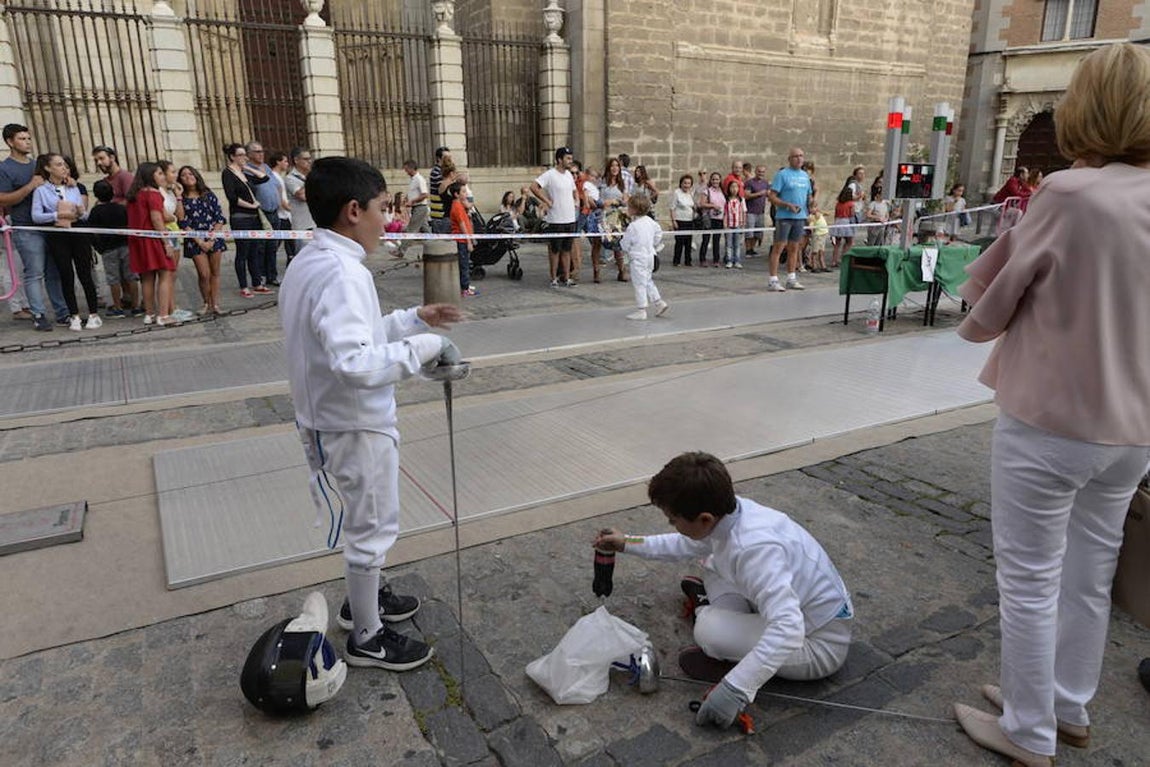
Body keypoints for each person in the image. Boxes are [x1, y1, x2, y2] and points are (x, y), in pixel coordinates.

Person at [951, 43, 1150, 767]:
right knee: (1089, 573)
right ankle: (1066, 706)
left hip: (1050, 420)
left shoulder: (1069, 193)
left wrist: (975, 313)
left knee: (1030, 577)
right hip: (1135, 426)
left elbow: (995, 302)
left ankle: (1029, 732)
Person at [279, 155, 462, 671]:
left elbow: (347, 335)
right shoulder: (341, 272)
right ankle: (367, 636)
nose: (391, 219)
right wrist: (424, 347)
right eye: (385, 208)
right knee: (373, 526)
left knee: (368, 522)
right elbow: (353, 362)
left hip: (329, 418)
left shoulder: (314, 259)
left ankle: (367, 596)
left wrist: (409, 319)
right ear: (353, 210)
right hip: (354, 423)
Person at [593, 452, 852, 729]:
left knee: (708, 631)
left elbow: (788, 628)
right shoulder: (729, 515)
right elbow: (683, 544)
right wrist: (626, 542)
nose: (673, 526)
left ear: (704, 518)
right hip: (786, 610)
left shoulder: (754, 549)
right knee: (714, 563)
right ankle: (725, 633)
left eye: (673, 520)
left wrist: (736, 689)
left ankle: (719, 639)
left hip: (818, 643)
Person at [0, 124, 68, 331]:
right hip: (25, 227)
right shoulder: (5, 168)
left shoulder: (38, 164)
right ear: (10, 142)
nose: (27, 142)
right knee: (34, 272)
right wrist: (29, 186)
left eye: (28, 138)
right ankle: (38, 314)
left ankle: (62, 312)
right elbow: (3, 199)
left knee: (54, 271)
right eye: (22, 138)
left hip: (49, 224)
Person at [31, 153, 100, 331]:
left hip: (77, 232)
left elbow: (83, 214)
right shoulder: (41, 191)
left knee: (85, 272)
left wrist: (79, 210)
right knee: (65, 274)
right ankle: (73, 315)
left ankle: (93, 314)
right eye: (59, 165)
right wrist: (56, 215)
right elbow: (36, 216)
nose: (64, 168)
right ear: (48, 168)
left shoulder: (73, 188)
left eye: (65, 165)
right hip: (58, 233)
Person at [126, 162, 176, 325]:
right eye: (160, 173)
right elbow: (156, 218)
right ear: (150, 176)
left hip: (138, 240)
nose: (163, 176)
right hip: (153, 239)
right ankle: (163, 315)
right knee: (165, 274)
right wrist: (166, 242)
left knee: (146, 278)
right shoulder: (153, 194)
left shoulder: (135, 194)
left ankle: (149, 314)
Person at [178, 165, 227, 315]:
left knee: (215, 272)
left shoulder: (208, 194)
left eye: (190, 174)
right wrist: (200, 241)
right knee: (203, 273)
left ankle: (215, 304)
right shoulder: (182, 199)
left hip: (213, 236)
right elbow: (182, 221)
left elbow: (219, 217)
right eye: (184, 175)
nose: (188, 177)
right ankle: (206, 302)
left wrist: (212, 238)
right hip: (194, 239)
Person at [221, 143, 268, 297]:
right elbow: (232, 197)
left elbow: (263, 178)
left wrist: (247, 167)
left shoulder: (243, 173)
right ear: (232, 157)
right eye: (240, 155)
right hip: (241, 217)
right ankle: (243, 286)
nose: (244, 158)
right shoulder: (228, 174)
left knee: (255, 251)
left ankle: (256, 283)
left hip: (254, 218)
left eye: (244, 155)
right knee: (243, 252)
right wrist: (251, 205)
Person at [86, 179, 136, 318]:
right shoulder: (121, 208)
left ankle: (117, 307)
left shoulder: (96, 211)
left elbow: (91, 231)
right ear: (113, 192)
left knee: (113, 278)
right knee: (131, 276)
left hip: (108, 249)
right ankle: (135, 305)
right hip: (126, 246)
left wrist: (98, 247)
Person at [530, 146, 579, 288]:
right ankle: (553, 278)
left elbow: (574, 190)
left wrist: (576, 200)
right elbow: (534, 187)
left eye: (571, 158)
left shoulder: (569, 175)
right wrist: (546, 201)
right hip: (556, 218)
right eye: (567, 158)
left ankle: (566, 277)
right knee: (555, 250)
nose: (570, 161)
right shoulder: (550, 174)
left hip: (569, 217)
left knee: (567, 249)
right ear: (559, 159)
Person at [766, 148, 812, 291]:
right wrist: (786, 205)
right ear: (790, 159)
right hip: (784, 216)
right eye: (796, 156)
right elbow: (772, 196)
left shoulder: (805, 176)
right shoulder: (782, 175)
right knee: (779, 247)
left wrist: (812, 203)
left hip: (800, 217)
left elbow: (808, 196)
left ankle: (791, 278)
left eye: (801, 156)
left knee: (795, 248)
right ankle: (773, 279)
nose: (799, 159)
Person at [619, 194, 667, 320]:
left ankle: (641, 310)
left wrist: (621, 245)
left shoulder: (633, 226)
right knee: (647, 280)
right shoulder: (651, 222)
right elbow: (658, 234)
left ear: (634, 209)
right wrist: (653, 244)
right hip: (650, 255)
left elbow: (625, 243)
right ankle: (658, 302)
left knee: (639, 283)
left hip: (638, 258)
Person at [245, 141, 284, 286]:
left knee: (273, 246)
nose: (261, 154)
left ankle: (272, 275)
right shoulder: (247, 170)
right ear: (249, 155)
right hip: (261, 213)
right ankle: (260, 275)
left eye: (262, 151)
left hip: (274, 211)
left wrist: (279, 201)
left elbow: (276, 185)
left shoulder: (266, 167)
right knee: (260, 246)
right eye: (257, 151)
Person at [599, 157, 629, 281]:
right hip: (605, 216)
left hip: (617, 217)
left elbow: (626, 199)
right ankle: (597, 271)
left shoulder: (622, 184)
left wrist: (621, 202)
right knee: (599, 244)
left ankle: (622, 271)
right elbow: (599, 200)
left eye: (617, 165)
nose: (615, 168)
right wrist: (609, 202)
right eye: (612, 165)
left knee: (618, 245)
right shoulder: (603, 183)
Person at [448, 180, 478, 297]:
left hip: (463, 239)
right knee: (464, 265)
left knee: (464, 263)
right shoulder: (457, 207)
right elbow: (462, 225)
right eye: (463, 192)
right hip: (462, 241)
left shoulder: (459, 205)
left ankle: (465, 285)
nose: (466, 194)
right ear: (456, 194)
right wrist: (469, 241)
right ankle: (464, 288)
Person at [397, 159, 429, 258]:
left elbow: (425, 194)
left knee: (411, 229)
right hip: (417, 207)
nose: (406, 172)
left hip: (420, 207)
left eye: (406, 169)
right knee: (426, 231)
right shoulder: (413, 180)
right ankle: (434, 246)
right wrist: (407, 198)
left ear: (411, 168)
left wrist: (412, 201)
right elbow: (413, 192)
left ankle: (401, 251)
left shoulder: (419, 179)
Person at [284, 147, 315, 246]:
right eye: (305, 159)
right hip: (302, 225)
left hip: (315, 223)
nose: (309, 161)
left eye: (310, 158)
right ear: (296, 160)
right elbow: (302, 196)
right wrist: (310, 179)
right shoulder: (290, 178)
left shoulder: (312, 176)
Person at [697, 172, 725, 267]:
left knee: (716, 240)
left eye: (717, 179)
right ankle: (702, 259)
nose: (715, 181)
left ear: (720, 180)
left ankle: (716, 260)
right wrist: (713, 206)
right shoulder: (707, 191)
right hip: (709, 218)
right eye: (713, 179)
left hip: (719, 218)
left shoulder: (722, 191)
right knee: (706, 239)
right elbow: (702, 204)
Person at [670, 174, 697, 267]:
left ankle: (688, 260)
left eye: (688, 183)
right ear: (681, 183)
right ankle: (676, 261)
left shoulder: (691, 193)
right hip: (679, 220)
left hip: (689, 220)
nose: (686, 185)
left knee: (688, 242)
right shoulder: (676, 193)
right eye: (685, 183)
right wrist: (674, 221)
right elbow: (672, 208)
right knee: (679, 242)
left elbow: (693, 206)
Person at [744, 166, 770, 257]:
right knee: (749, 232)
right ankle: (747, 250)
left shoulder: (766, 183)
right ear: (755, 171)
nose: (761, 173)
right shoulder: (749, 183)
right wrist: (759, 194)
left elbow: (768, 194)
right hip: (751, 211)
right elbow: (746, 195)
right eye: (759, 171)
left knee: (758, 232)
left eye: (763, 172)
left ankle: (752, 249)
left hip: (761, 211)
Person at [722, 180, 746, 269]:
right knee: (729, 244)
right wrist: (724, 224)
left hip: (738, 225)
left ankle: (737, 260)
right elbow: (725, 213)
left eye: (736, 187)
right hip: (729, 224)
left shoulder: (741, 199)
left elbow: (743, 212)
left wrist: (743, 222)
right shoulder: (727, 200)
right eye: (732, 187)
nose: (734, 189)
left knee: (737, 244)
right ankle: (729, 260)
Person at [428, 146, 451, 233]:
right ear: (439, 158)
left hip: (446, 212)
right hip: (439, 213)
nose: (449, 160)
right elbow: (441, 189)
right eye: (446, 157)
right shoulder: (436, 172)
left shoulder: (445, 171)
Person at [807, 202, 829, 272]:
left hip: (824, 234)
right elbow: (811, 226)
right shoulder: (811, 217)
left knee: (822, 251)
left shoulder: (819, 213)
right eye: (812, 208)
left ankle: (823, 266)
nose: (814, 209)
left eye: (815, 207)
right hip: (817, 235)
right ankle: (814, 266)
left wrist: (823, 213)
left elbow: (826, 213)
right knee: (815, 252)